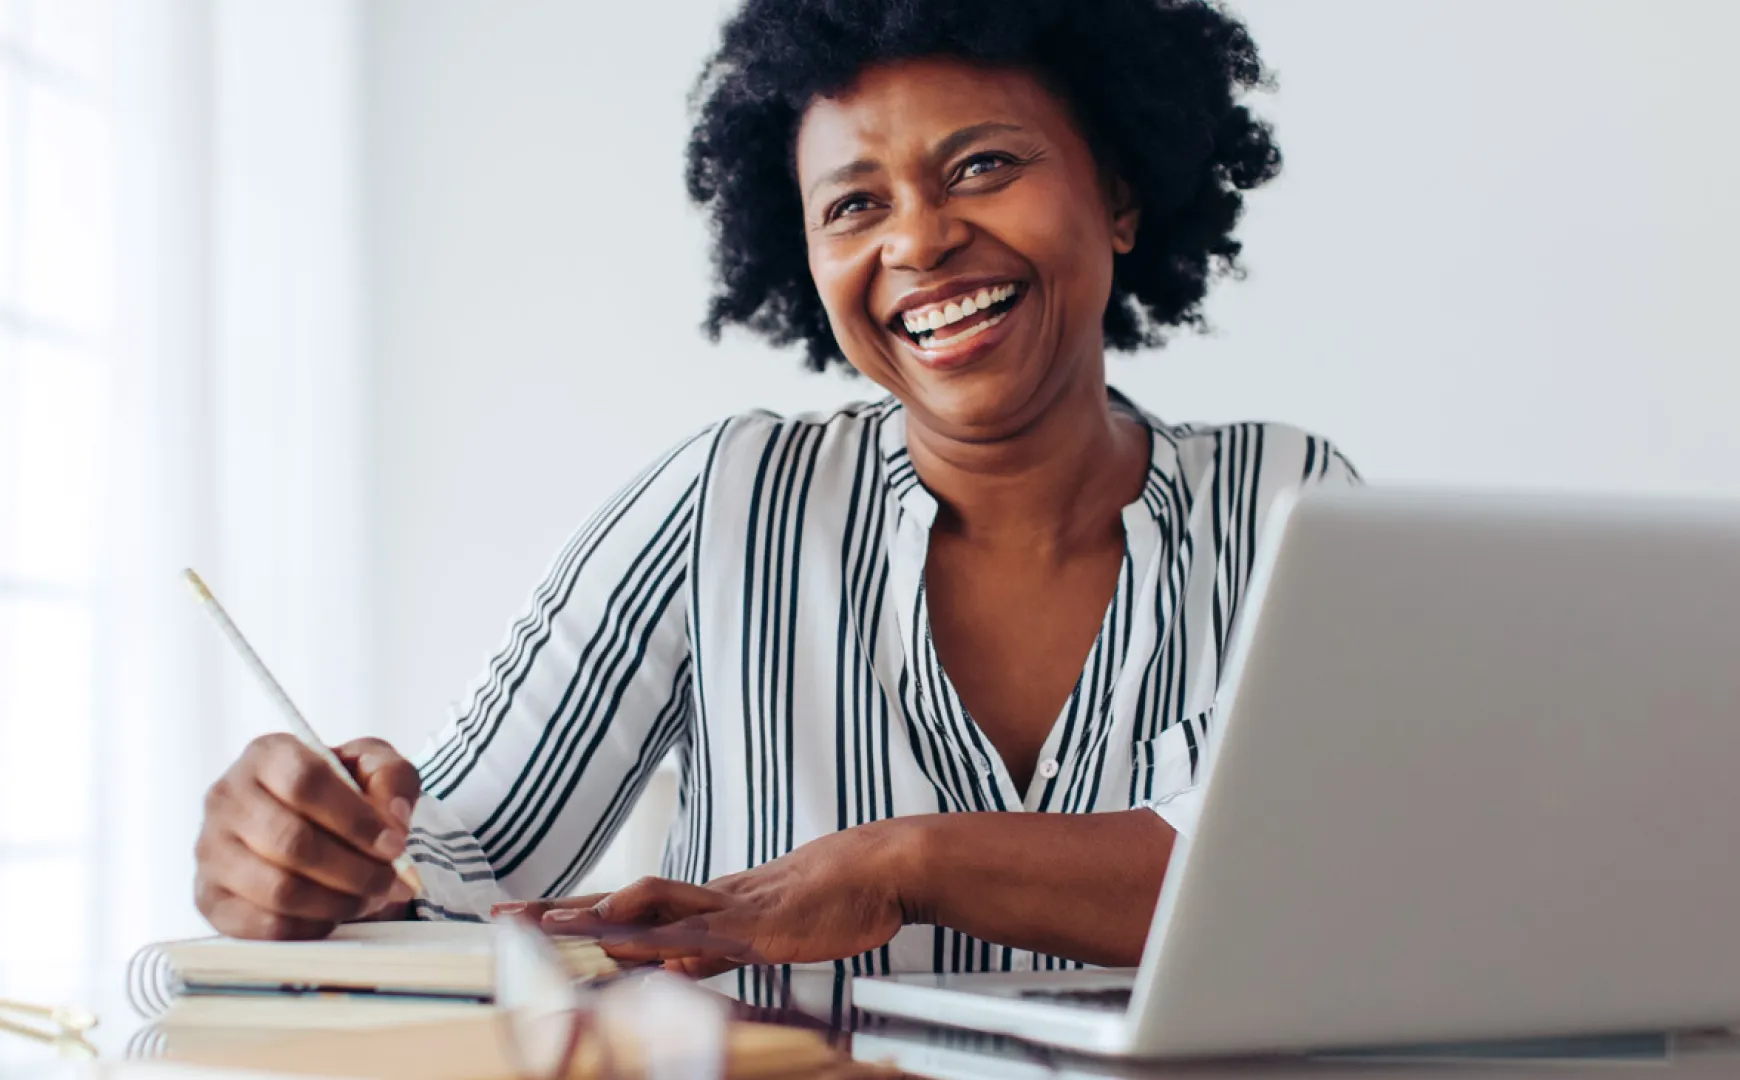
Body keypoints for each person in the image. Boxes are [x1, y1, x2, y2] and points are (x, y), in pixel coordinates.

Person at [192, 0, 1358, 978]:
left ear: (1118, 193)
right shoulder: (725, 499)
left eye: (984, 166)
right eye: (855, 204)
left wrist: (905, 867)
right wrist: (325, 857)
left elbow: (1325, 885)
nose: (921, 240)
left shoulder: (1288, 503)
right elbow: (468, 864)